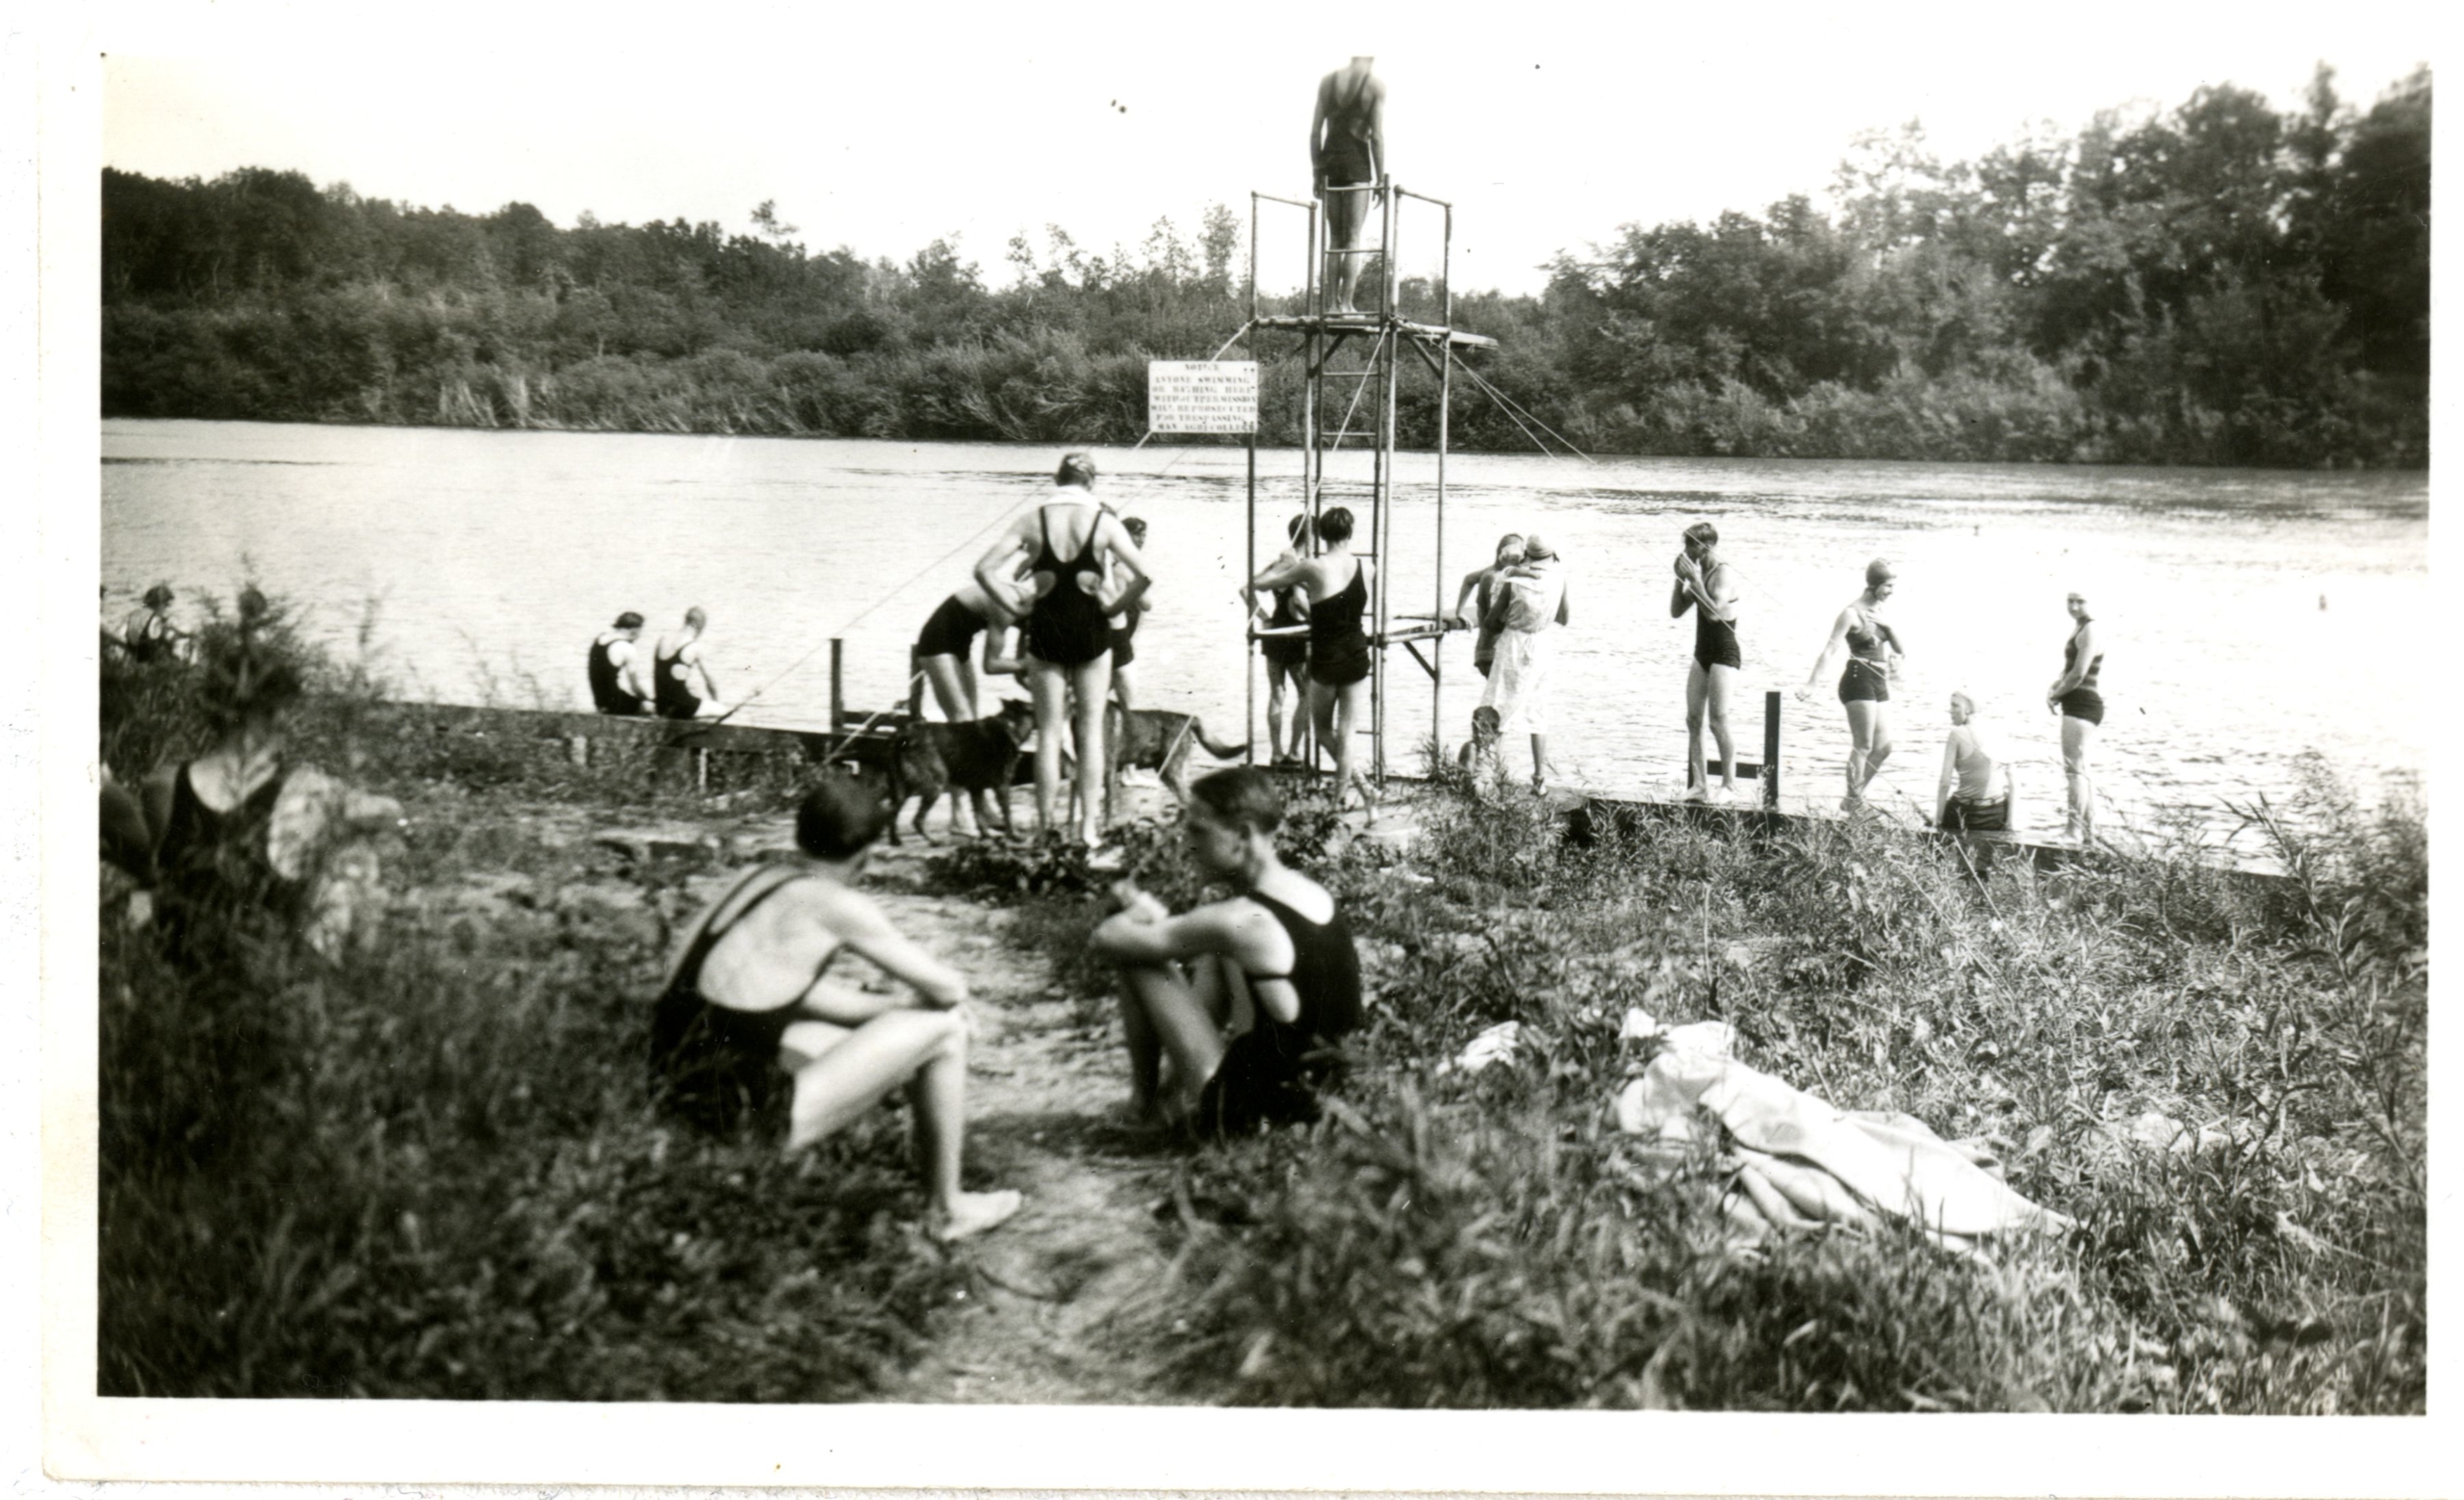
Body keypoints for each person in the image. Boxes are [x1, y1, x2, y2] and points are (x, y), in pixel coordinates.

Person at [647, 776, 1022, 1243]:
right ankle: (948, 1208)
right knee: (944, 1030)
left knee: (855, 1036)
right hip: (735, 1120)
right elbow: (948, 989)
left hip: (667, 1092)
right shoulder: (835, 903)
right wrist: (925, 1009)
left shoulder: (759, 879)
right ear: (866, 853)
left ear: (800, 835)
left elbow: (790, 994)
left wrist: (894, 1008)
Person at [1091, 766, 1362, 1136]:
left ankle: (1146, 1108)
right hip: (1321, 1106)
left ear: (1242, 835)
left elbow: (1108, 938)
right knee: (1216, 956)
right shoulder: (1312, 895)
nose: (1188, 846)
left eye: (1199, 832)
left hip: (1256, 1121)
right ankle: (1173, 1098)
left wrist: (1139, 914)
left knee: (1137, 954)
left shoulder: (1240, 920)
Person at [972, 451, 1149, 845]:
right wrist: (1112, 608)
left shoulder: (1031, 520)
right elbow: (1144, 576)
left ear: (1056, 479)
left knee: (1050, 735)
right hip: (1092, 632)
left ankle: (1042, 827)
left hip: (1045, 631)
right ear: (1091, 483)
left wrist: (1017, 605)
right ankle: (1087, 829)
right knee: (1090, 732)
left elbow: (983, 570)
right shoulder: (1104, 522)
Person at [1252, 504, 1375, 813]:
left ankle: (1357, 789)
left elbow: (1260, 584)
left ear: (1321, 535)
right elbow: (1345, 599)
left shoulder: (1312, 567)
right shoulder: (1368, 567)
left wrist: (1286, 564)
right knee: (1347, 733)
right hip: (1357, 653)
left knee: (1322, 731)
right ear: (1350, 532)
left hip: (1327, 655)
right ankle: (1346, 796)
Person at [1798, 558, 1905, 813]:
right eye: (1888, 586)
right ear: (1874, 584)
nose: (1891, 592)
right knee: (1864, 745)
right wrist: (1811, 684)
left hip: (1879, 679)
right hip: (1858, 678)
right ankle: (1855, 801)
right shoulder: (1851, 613)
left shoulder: (1882, 612)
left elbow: (1900, 650)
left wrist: (1889, 627)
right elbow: (1829, 650)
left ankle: (1852, 798)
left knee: (1884, 747)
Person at [1479, 532, 1571, 793]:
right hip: (1541, 645)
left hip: (1514, 644)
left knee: (1499, 706)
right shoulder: (1559, 578)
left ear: (1526, 556)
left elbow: (1491, 622)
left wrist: (1508, 615)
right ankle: (1539, 780)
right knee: (1538, 711)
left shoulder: (1514, 581)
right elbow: (1564, 618)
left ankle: (1492, 778)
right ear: (1551, 557)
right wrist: (1539, 614)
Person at [1670, 522, 1742, 802]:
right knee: (1693, 719)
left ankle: (1730, 786)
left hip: (1724, 653)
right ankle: (1700, 786)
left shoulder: (1723, 573)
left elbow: (1714, 614)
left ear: (1707, 546)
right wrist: (1679, 579)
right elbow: (1676, 611)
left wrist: (1695, 580)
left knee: (1718, 720)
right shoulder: (1701, 572)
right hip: (1702, 652)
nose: (1687, 552)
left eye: (1691, 546)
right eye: (1685, 545)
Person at [1309, 57, 1386, 315]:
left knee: (1335, 238)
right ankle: (1346, 304)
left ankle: (1332, 305)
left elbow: (1315, 133)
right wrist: (1380, 178)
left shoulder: (1328, 82)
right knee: (1353, 238)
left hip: (1329, 165)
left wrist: (1317, 172)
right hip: (1357, 166)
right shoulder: (1374, 85)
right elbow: (1376, 137)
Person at [912, 579, 1030, 726]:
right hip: (936, 644)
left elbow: (1021, 672)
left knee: (971, 722)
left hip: (961, 646)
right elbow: (991, 666)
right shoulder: (1008, 604)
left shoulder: (1034, 617)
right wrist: (1030, 664)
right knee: (963, 719)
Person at [1251, 514, 1314, 766]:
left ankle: (1276, 753)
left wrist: (1264, 617)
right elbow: (1298, 599)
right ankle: (1294, 751)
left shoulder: (1279, 563)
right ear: (1310, 536)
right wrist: (1318, 620)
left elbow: (1247, 589)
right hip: (1295, 634)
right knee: (1306, 694)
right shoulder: (1300, 565)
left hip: (1274, 632)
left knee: (1277, 693)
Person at [2046, 592, 2104, 842]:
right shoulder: (2080, 628)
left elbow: (2079, 673)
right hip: (2077, 704)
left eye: (2080, 601)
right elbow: (2069, 670)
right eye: (2070, 601)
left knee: (2074, 771)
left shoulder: (2090, 629)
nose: (2074, 606)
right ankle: (2090, 833)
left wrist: (2056, 695)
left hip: (2082, 705)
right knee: (2080, 770)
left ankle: (2073, 831)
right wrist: (2055, 686)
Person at [1448, 533, 1526, 679]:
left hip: (1494, 652)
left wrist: (1459, 611)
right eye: (1517, 559)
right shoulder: (1493, 578)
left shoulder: (1493, 572)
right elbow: (1495, 621)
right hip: (1492, 654)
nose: (1520, 563)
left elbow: (1469, 579)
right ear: (1504, 556)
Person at [1936, 691, 2016, 832]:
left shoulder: (1957, 734)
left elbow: (1944, 783)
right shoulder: (1999, 731)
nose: (1950, 710)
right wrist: (2010, 823)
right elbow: (2013, 783)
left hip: (1964, 814)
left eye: (1955, 705)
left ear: (1968, 709)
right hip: (1996, 814)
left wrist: (1937, 821)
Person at [1107, 515, 1150, 714]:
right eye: (1137, 535)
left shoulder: (1111, 561)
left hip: (1118, 634)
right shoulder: (1125, 567)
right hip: (1118, 637)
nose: (1142, 540)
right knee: (1128, 699)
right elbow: (1147, 604)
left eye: (1144, 535)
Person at [653, 608, 725, 720]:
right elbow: (710, 683)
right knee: (722, 710)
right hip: (681, 708)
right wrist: (716, 702)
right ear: (699, 625)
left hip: (661, 707)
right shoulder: (694, 646)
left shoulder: (662, 640)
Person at [588, 611, 652, 716]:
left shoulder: (600, 639)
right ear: (634, 630)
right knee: (651, 707)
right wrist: (647, 699)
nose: (639, 636)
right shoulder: (627, 647)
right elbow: (634, 687)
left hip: (599, 702)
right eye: (640, 631)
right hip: (614, 703)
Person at [119, 583, 182, 664]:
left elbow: (121, 635)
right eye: (166, 605)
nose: (166, 609)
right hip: (151, 663)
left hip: (134, 660)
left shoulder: (132, 615)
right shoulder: (155, 620)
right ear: (160, 604)